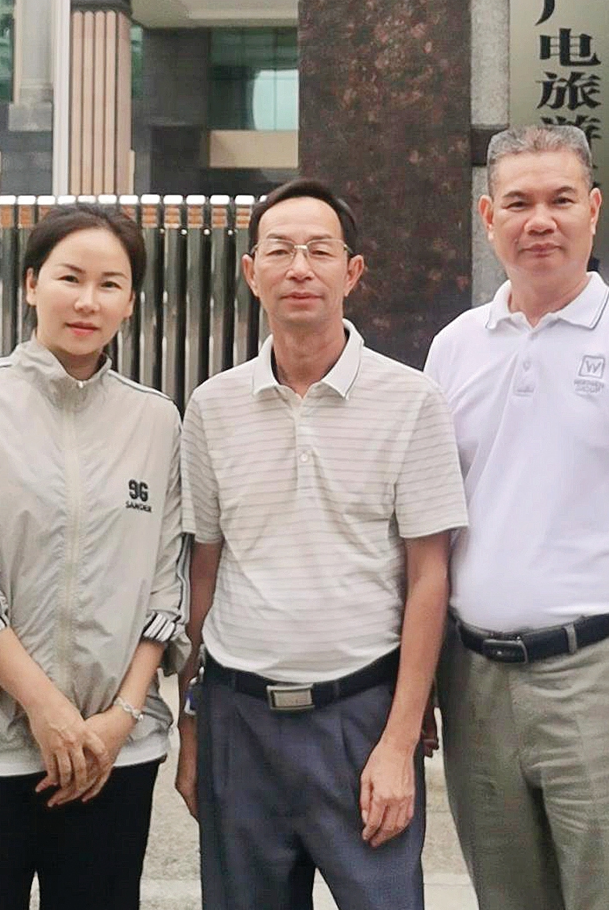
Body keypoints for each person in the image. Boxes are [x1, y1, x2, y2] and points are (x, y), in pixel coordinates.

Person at [424, 125, 609, 910]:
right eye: (518, 202)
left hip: (601, 673)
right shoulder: (453, 348)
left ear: (594, 209)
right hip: (474, 677)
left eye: (560, 199)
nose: (539, 220)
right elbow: (429, 527)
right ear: (488, 217)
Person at [0, 203, 189, 910]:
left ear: (131, 302)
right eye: (69, 277)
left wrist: (119, 718)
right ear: (30, 284)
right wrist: (46, 707)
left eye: (110, 284)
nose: (87, 301)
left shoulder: (155, 421)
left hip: (111, 758)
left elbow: (166, 586)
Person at [174, 178, 468, 910]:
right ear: (252, 272)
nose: (298, 267)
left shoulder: (410, 400)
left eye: (319, 251)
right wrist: (191, 725)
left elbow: (429, 576)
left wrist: (399, 739)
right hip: (238, 719)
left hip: (359, 717)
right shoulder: (212, 406)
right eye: (278, 251)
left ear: (352, 271)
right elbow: (202, 570)